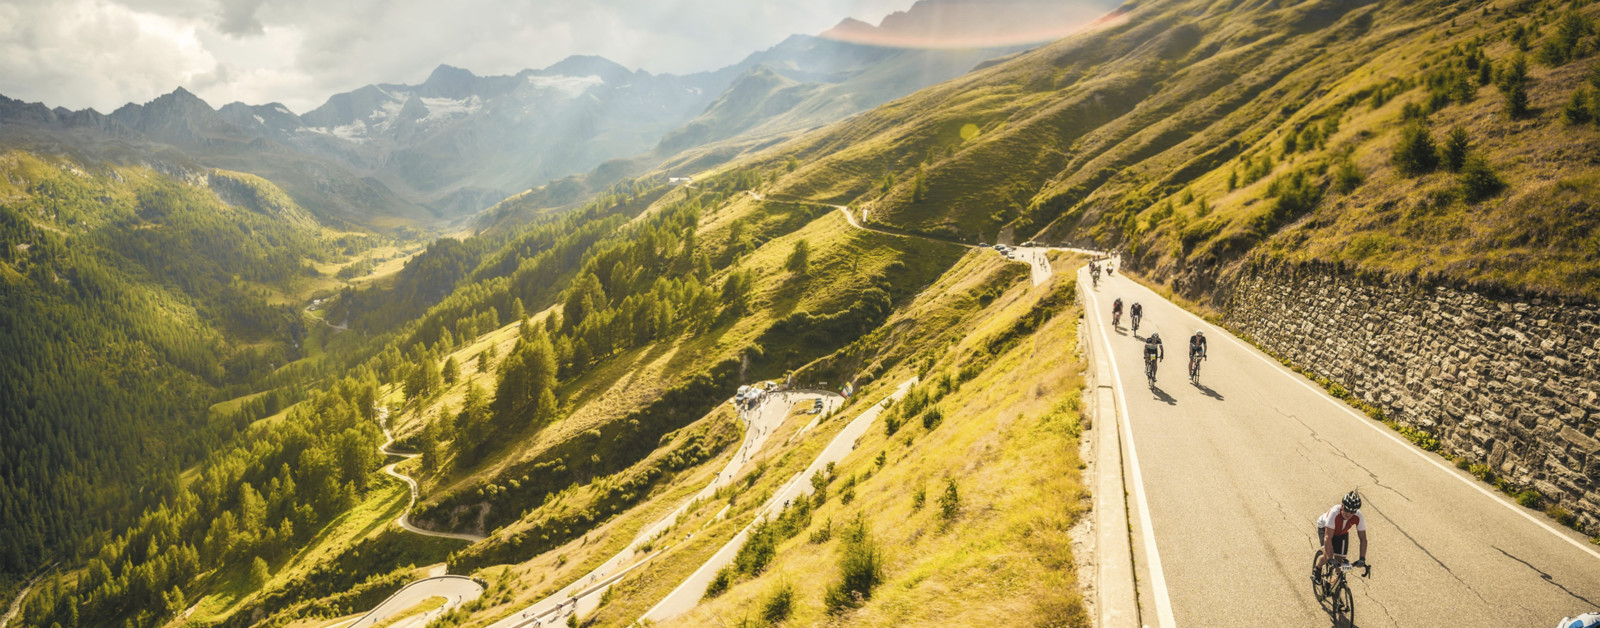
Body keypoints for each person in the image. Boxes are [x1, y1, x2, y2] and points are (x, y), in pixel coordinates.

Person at [1315, 491, 1368, 583]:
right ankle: (1317, 569)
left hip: (1341, 532)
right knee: (1328, 555)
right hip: (1325, 528)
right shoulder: (1334, 513)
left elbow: (1363, 539)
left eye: (1352, 512)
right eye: (1346, 510)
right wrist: (1330, 558)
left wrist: (1362, 558)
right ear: (1342, 506)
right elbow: (1328, 537)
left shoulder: (1358, 515)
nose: (1348, 514)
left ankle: (1336, 583)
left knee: (1340, 561)